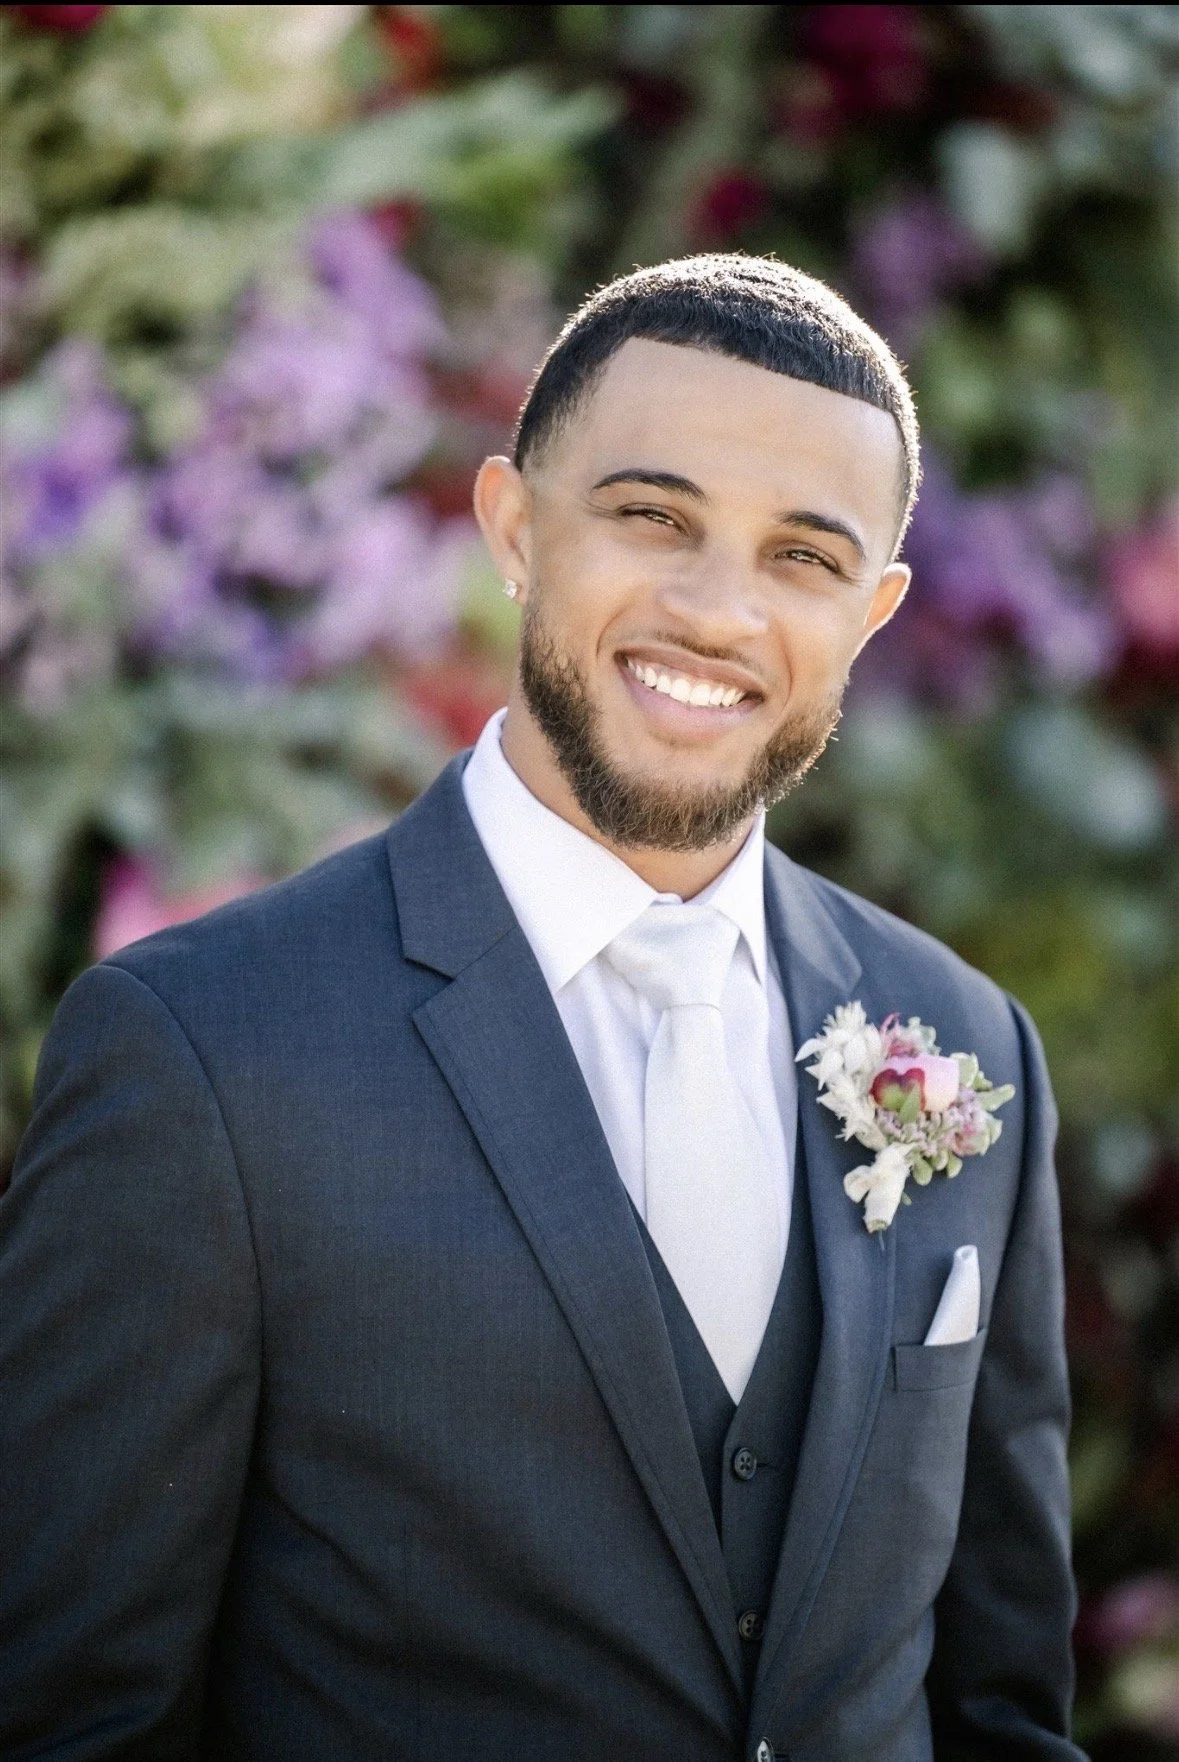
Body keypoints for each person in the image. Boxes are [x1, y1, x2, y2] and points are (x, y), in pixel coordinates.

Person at [0, 255, 1084, 1761]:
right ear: (512, 525)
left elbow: (998, 1706)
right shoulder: (204, 1056)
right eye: (651, 518)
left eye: (801, 557)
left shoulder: (969, 1044)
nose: (716, 610)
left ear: (874, 608)